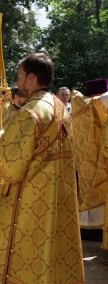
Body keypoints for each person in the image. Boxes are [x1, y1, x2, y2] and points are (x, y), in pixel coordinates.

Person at [0, 53, 84, 283]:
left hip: (29, 202)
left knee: (19, 260)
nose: (18, 82)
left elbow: (10, 166)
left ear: (32, 78)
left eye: (20, 76)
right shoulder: (60, 107)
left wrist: (3, 139)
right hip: (56, 199)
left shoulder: (30, 113)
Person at [71, 78, 108, 247]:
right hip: (96, 155)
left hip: (85, 157)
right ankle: (93, 230)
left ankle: (91, 229)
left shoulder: (80, 105)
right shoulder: (93, 105)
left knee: (88, 190)